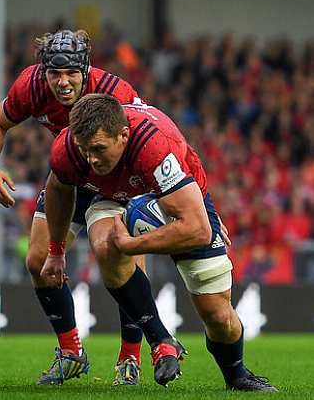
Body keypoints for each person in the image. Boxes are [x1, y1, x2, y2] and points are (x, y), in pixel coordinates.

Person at [41, 94, 277, 391]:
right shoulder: (67, 149)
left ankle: (237, 375)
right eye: (85, 151)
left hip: (180, 201)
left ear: (123, 135)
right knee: (104, 246)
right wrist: (56, 251)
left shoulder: (154, 146)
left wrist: (133, 245)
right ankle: (161, 340)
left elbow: (197, 230)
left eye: (99, 149)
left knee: (218, 316)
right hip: (110, 197)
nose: (91, 159)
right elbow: (59, 192)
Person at [0, 29, 146, 385]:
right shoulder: (32, 86)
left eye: (71, 73)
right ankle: (71, 353)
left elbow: (143, 143)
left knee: (123, 261)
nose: (63, 82)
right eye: (55, 73)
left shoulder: (116, 93)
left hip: (116, 183)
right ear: (44, 71)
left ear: (86, 69)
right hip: (68, 179)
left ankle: (130, 358)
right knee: (38, 261)